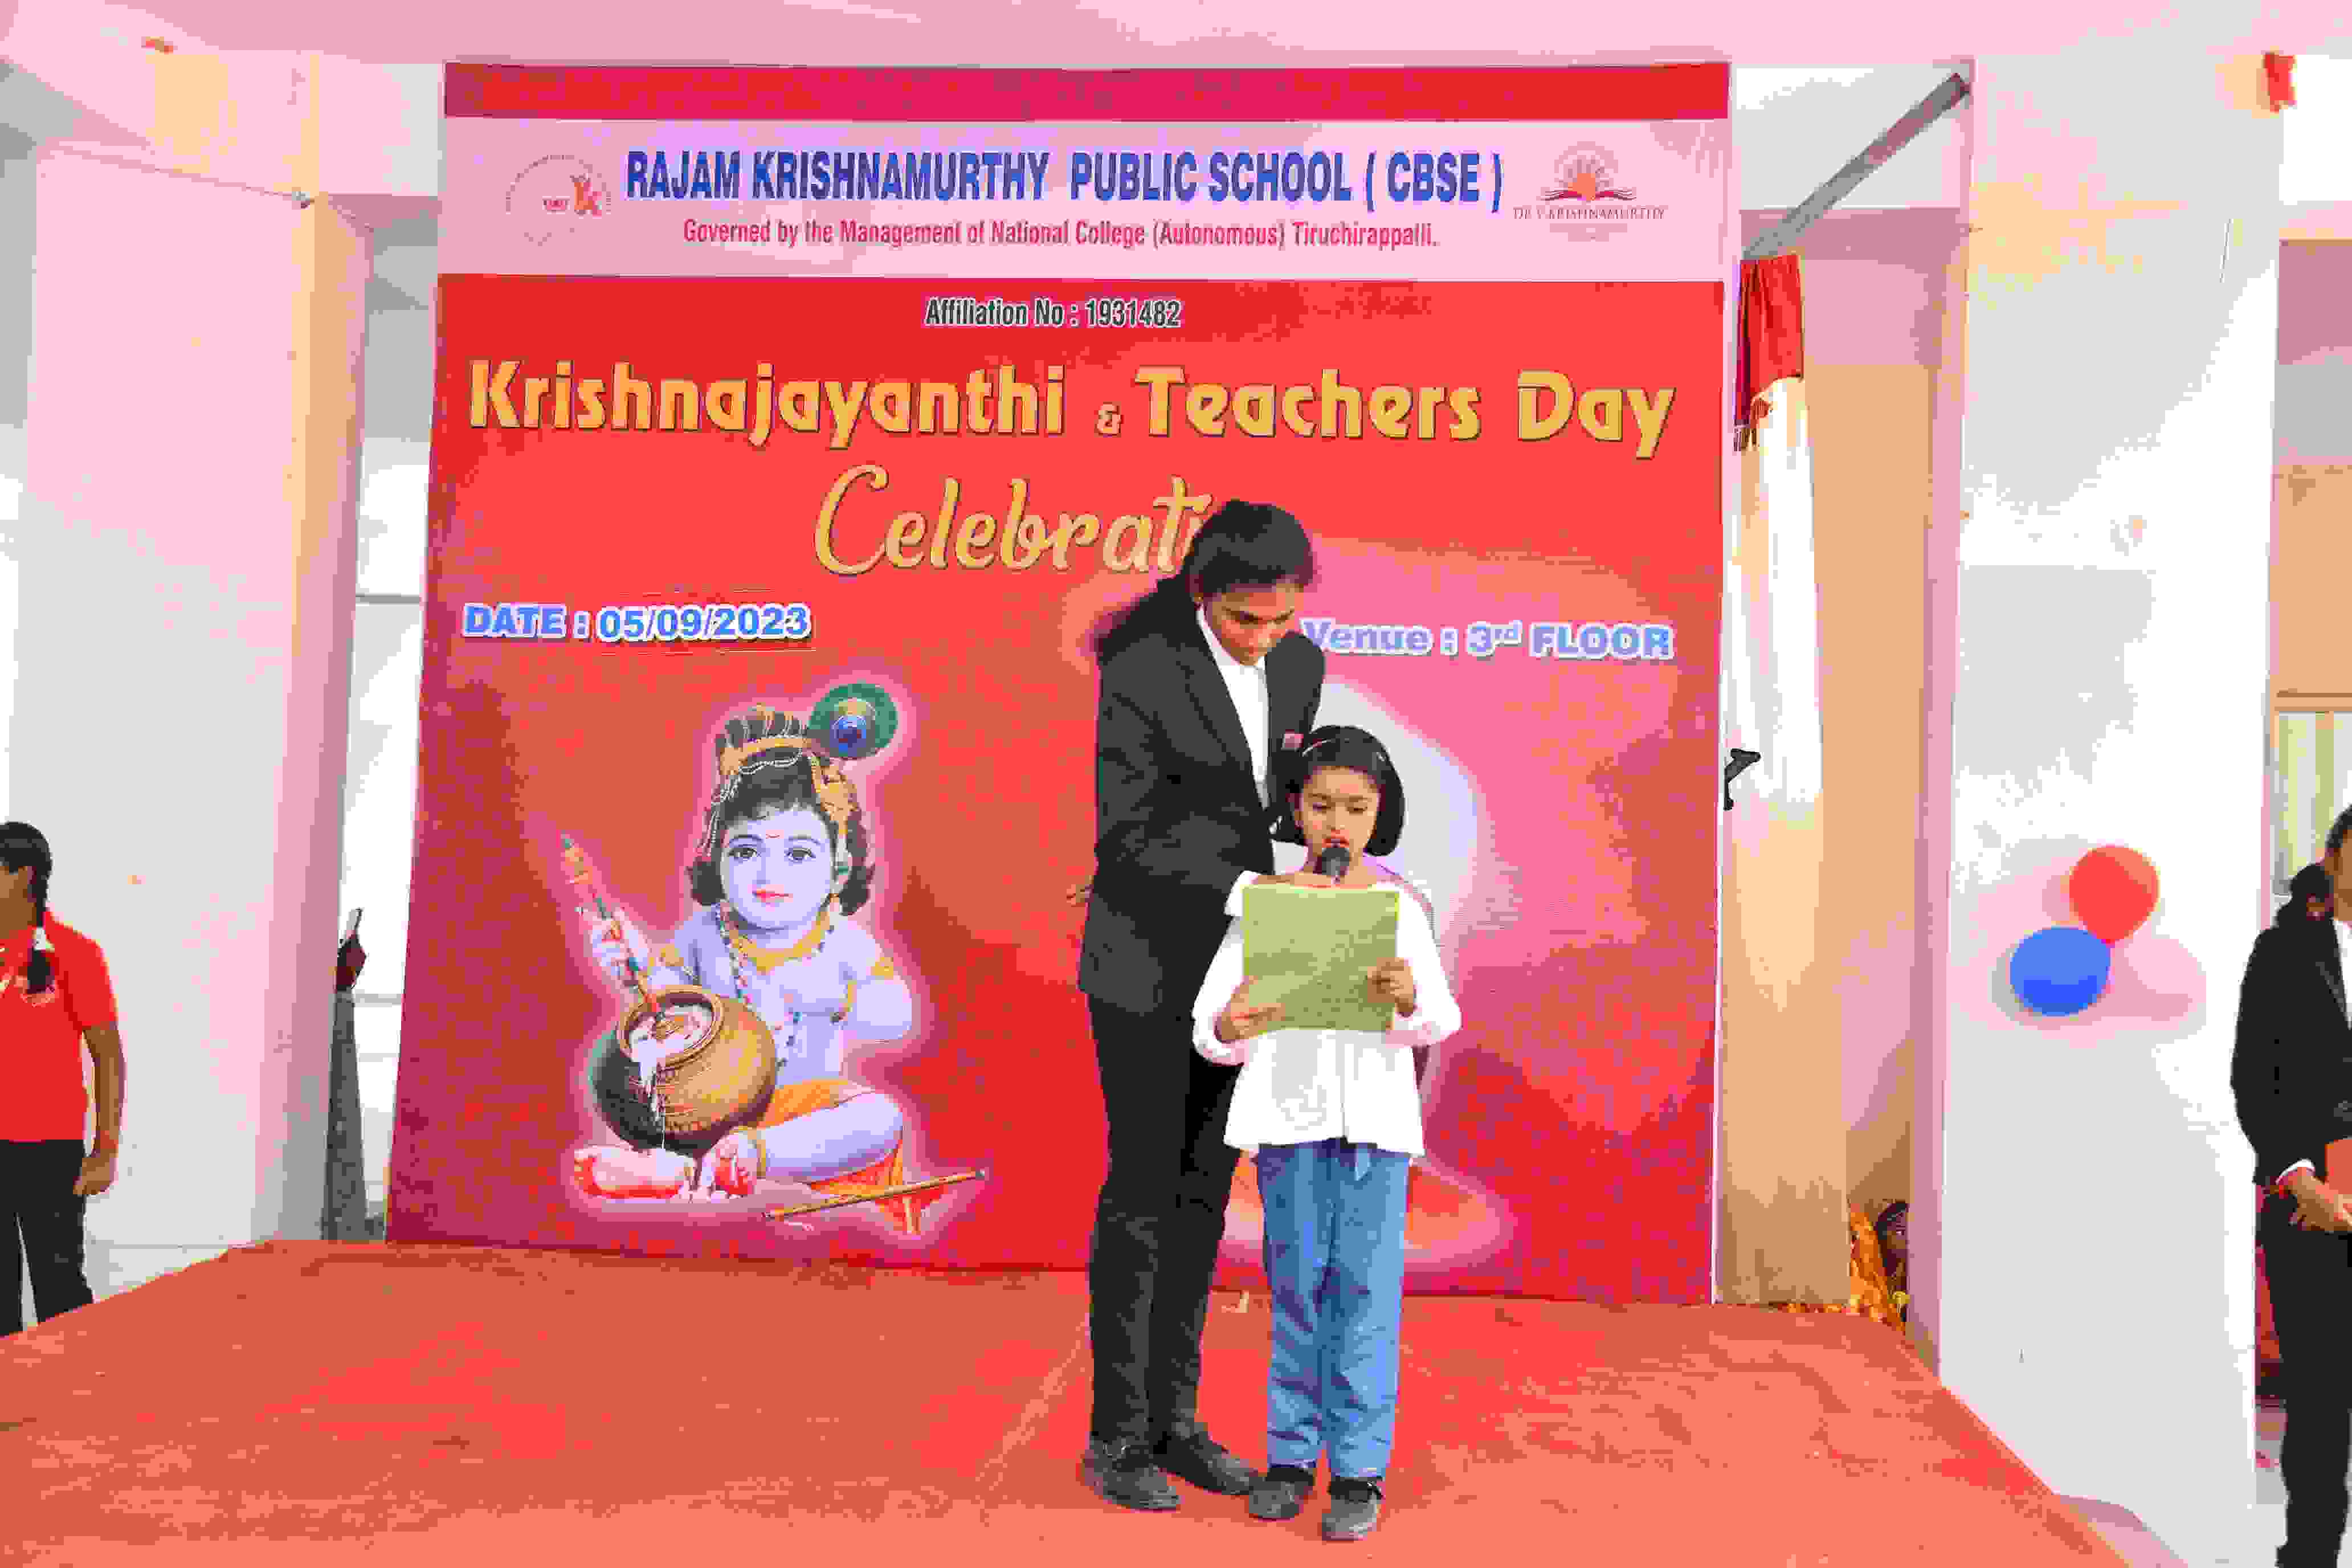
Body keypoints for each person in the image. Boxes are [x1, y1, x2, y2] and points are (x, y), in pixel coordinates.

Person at [1076, 499, 1330, 1512]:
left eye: (1281, 619)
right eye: (1243, 620)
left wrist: (1339, 845)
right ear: (1200, 593)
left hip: (1240, 973)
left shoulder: (1301, 666)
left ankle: (1176, 1425)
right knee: (1142, 1197)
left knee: (1203, 1197)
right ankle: (1116, 1437)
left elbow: (1284, 802)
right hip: (1142, 966)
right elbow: (1128, 835)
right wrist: (1254, 886)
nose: (1265, 638)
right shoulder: (1142, 669)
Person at [1193, 725, 1460, 1542]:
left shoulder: (1400, 907)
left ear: (1380, 813)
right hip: (1288, 1122)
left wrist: (1408, 999)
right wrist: (1232, 1022)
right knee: (1298, 1291)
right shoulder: (1263, 903)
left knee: (1365, 1296)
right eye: (1320, 806)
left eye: (1355, 807)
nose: (1337, 823)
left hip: (1374, 1128)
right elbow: (1210, 1026)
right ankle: (1289, 1457)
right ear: (1296, 810)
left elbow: (1439, 1018)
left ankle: (1358, 1469)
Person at [574, 690, 922, 1227]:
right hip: (706, 1109)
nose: (769, 875)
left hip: (801, 1113)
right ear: (717, 859)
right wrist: (634, 965)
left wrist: (839, 1001)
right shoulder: (704, 934)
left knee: (881, 1118)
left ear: (838, 869)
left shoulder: (843, 943)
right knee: (637, 1101)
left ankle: (738, 1164)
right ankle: (687, 1168)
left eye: (799, 853)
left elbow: (898, 1016)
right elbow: (665, 1000)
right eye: (746, 851)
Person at [2233, 806, 2352, 1568]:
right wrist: (2298, 1177)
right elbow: (2254, 1077)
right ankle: (2310, 1555)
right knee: (2319, 1399)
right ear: (2333, 859)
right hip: (2309, 1204)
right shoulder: (2283, 951)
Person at [0, 822, 126, 1337]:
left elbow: (108, 1056)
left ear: (22, 876)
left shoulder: (73, 952)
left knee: (60, 1289)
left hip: (49, 1151)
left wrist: (105, 1149)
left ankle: (76, 1387)